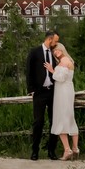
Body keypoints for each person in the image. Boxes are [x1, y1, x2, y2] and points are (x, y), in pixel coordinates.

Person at [26, 30, 59, 160]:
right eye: (55, 41)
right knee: (38, 122)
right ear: (49, 39)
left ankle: (51, 151)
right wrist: (31, 90)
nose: (56, 43)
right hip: (39, 93)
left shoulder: (54, 53)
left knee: (54, 122)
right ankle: (35, 151)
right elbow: (28, 71)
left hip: (53, 91)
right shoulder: (35, 52)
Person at [44, 43, 79, 160]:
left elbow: (61, 78)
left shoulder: (64, 61)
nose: (55, 52)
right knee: (69, 117)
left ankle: (67, 149)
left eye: (57, 50)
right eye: (54, 51)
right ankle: (75, 148)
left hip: (63, 92)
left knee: (60, 119)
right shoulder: (70, 60)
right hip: (68, 90)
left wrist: (52, 70)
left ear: (62, 49)